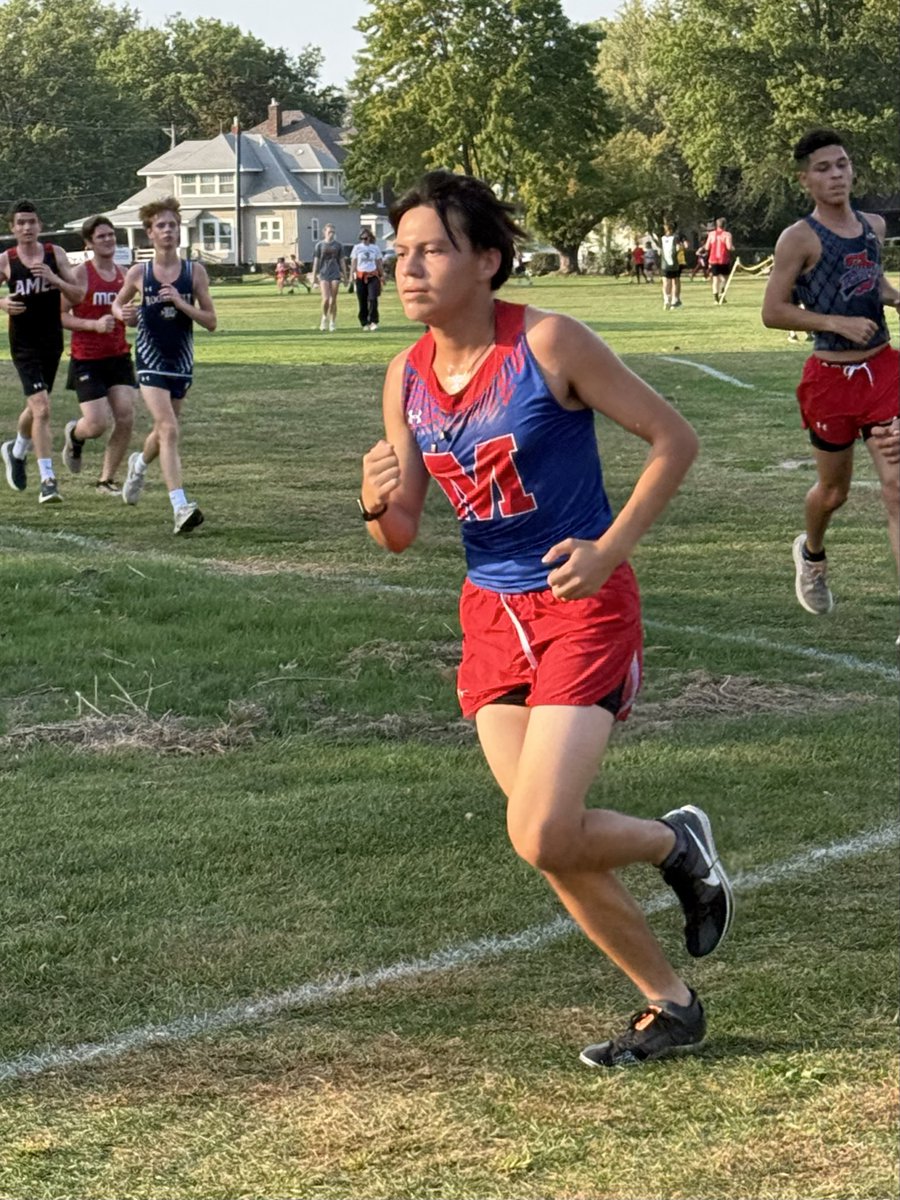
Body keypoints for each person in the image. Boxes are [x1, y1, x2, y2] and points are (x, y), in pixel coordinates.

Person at [360, 169, 733, 1068]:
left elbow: (674, 440)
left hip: (581, 603)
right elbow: (404, 533)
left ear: (487, 261)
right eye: (401, 251)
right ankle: (669, 1000)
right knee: (550, 838)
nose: (408, 268)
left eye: (432, 250)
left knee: (536, 827)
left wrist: (606, 548)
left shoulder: (550, 340)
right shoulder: (404, 374)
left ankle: (674, 846)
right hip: (489, 612)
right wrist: (374, 504)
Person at [762, 128, 900, 622]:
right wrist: (833, 322)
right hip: (829, 381)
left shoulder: (873, 226)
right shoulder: (798, 238)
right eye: (823, 168)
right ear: (806, 180)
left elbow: (871, 279)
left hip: (885, 370)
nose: (836, 174)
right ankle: (812, 555)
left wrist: (891, 294)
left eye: (842, 164)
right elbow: (773, 311)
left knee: (896, 486)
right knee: (834, 492)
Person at [112, 197, 217, 534]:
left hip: (181, 362)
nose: (168, 231)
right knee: (169, 429)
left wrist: (180, 303)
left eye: (173, 225)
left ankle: (139, 465)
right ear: (150, 233)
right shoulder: (139, 272)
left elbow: (211, 321)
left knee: (162, 431)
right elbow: (118, 304)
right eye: (161, 226)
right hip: (149, 359)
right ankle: (180, 506)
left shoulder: (194, 272)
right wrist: (123, 314)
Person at [0, 200, 85, 503]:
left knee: (37, 408)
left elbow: (77, 294)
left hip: (51, 341)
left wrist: (54, 279)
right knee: (43, 409)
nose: (26, 227)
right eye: (20, 222)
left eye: (31, 222)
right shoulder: (6, 260)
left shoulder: (55, 255)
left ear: (40, 225)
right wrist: (2, 303)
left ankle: (16, 450)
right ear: (12, 227)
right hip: (23, 344)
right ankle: (48, 479)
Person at [60, 216, 136, 495]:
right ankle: (74, 435)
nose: (108, 240)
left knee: (126, 416)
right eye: (101, 236)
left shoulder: (125, 274)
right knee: (96, 425)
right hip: (87, 357)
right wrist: (92, 325)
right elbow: (60, 315)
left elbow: (129, 314)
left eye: (111, 235)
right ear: (89, 243)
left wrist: (133, 317)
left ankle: (106, 480)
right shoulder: (80, 275)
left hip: (118, 355)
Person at [311, 224, 345, 331]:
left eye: (333, 232)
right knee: (326, 299)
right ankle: (324, 317)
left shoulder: (338, 245)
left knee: (333, 300)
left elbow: (342, 261)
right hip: (323, 273)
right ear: (324, 232)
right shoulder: (319, 245)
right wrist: (314, 276)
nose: (331, 234)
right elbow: (316, 262)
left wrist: (346, 275)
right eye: (329, 232)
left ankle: (332, 322)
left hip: (335, 273)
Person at [349, 228, 384, 331]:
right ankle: (364, 322)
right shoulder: (357, 248)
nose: (364, 240)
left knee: (373, 298)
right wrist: (352, 276)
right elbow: (354, 263)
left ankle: (373, 320)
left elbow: (378, 262)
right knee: (362, 300)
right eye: (362, 238)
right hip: (360, 276)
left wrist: (382, 275)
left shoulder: (375, 248)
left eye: (365, 238)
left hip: (372, 275)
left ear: (369, 238)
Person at [704, 218, 733, 303]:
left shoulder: (711, 234)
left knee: (715, 279)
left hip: (713, 259)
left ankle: (716, 298)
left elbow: (706, 247)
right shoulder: (727, 235)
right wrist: (733, 247)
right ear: (725, 225)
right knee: (725, 278)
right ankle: (722, 294)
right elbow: (729, 247)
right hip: (724, 259)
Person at [660, 224, 686, 310]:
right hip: (674, 263)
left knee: (665, 282)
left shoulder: (662, 238)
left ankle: (666, 299)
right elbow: (679, 248)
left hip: (664, 263)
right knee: (675, 281)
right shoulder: (675, 238)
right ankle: (675, 301)